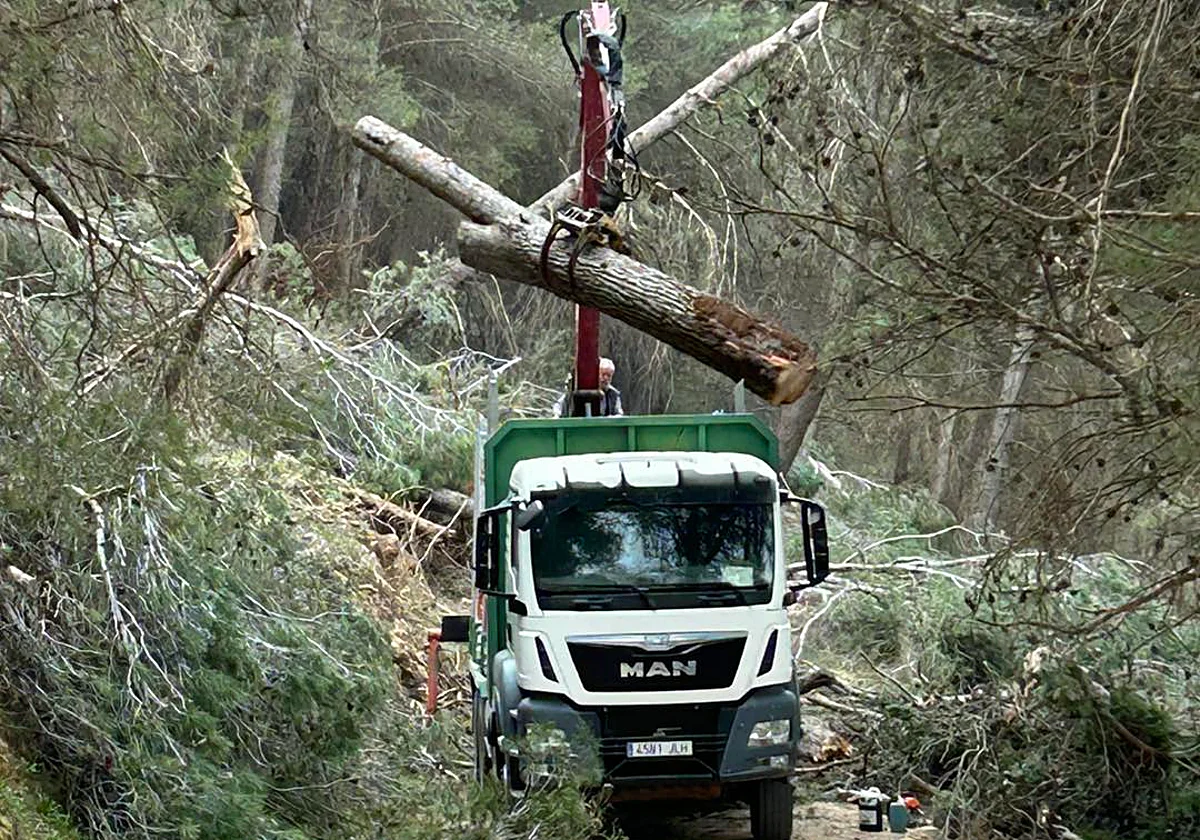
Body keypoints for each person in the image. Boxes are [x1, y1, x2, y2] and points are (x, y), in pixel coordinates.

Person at [552, 357, 625, 417]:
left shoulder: (613, 394)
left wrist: (612, 418)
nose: (605, 378)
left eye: (609, 375)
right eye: (603, 374)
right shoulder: (579, 389)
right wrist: (556, 415)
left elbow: (619, 413)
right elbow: (559, 406)